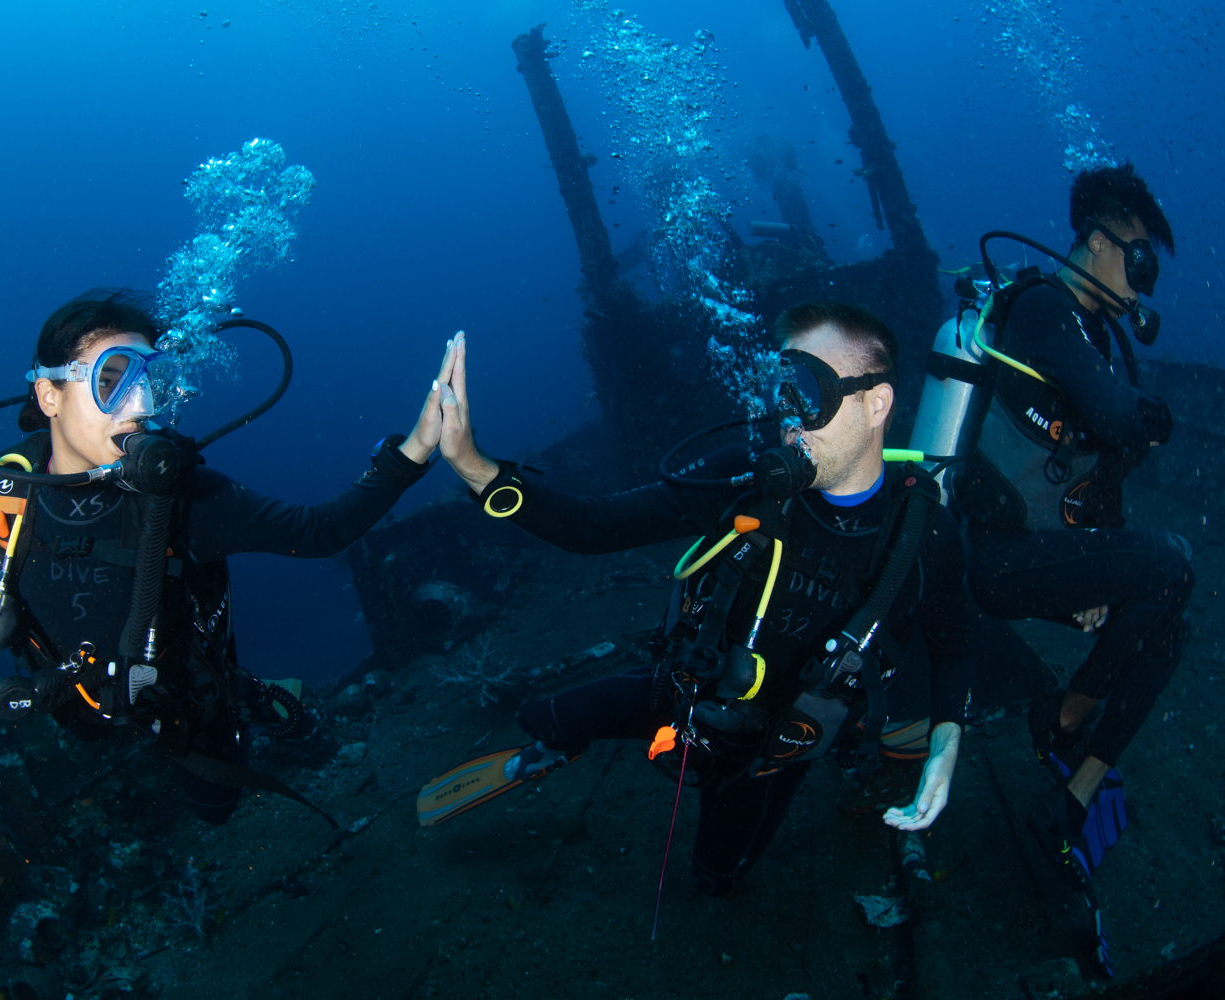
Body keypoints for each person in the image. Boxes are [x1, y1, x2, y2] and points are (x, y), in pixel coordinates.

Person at [0, 290, 453, 826]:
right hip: (74, 700)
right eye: (114, 380)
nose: (141, 407)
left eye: (152, 380)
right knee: (91, 750)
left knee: (216, 807)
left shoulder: (184, 495)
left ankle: (248, 697)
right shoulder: (10, 487)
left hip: (181, 701)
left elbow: (319, 532)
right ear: (49, 395)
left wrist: (416, 449)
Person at [424, 303, 974, 893]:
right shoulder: (745, 480)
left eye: (809, 391)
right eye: (782, 390)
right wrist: (474, 467)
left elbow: (954, 640)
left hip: (777, 743)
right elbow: (594, 525)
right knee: (541, 717)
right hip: (688, 685)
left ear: (876, 403)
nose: (790, 421)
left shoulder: (922, 535)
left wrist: (946, 738)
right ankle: (554, 748)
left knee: (716, 876)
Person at [952, 163, 1191, 909]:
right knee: (1175, 561)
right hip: (990, 556)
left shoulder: (1099, 337)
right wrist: (1146, 416)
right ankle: (1060, 717)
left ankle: (1073, 795)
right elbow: (1120, 417)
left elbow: (1102, 485)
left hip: (1044, 551)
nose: (1144, 279)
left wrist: (1097, 574)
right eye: (1139, 257)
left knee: (1167, 627)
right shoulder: (1044, 309)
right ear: (1094, 241)